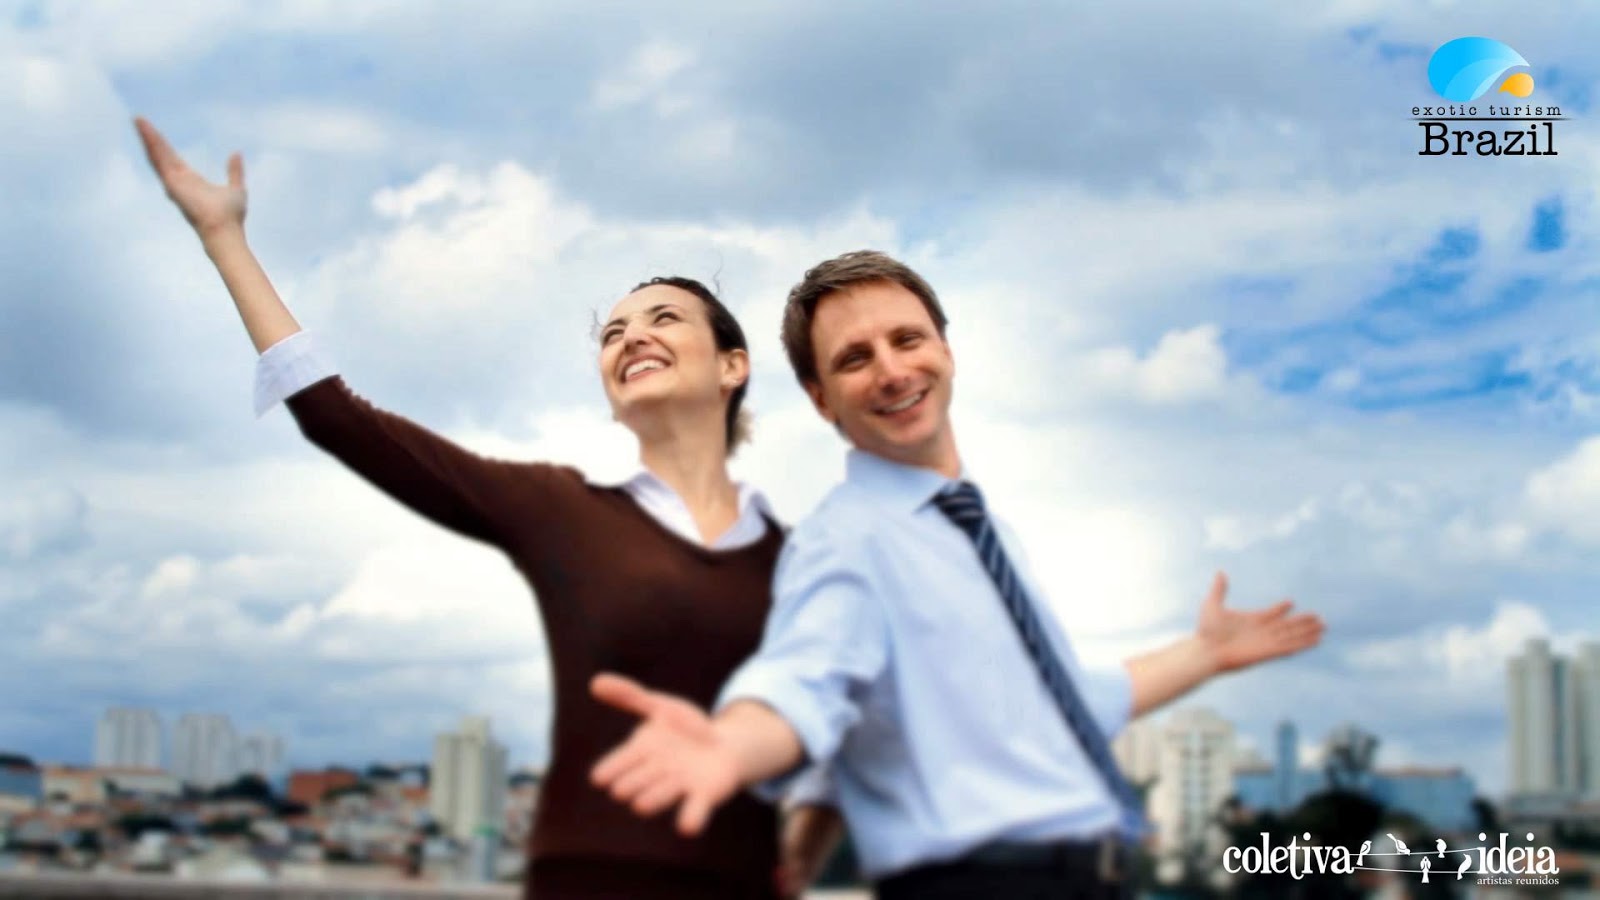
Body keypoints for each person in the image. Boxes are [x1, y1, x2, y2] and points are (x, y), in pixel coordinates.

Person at [133, 117, 840, 900]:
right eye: (613, 333)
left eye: (662, 319)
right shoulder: (561, 509)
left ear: (733, 365)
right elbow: (340, 420)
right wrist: (224, 238)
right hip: (586, 882)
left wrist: (804, 848)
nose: (631, 337)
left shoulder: (804, 563)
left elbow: (857, 725)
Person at [589, 250, 1327, 899]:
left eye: (907, 339)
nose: (892, 371)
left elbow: (1062, 705)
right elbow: (804, 681)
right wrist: (729, 745)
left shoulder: (979, 531)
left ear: (945, 348)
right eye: (854, 359)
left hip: (1086, 879)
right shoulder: (845, 542)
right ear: (820, 397)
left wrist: (1205, 653)